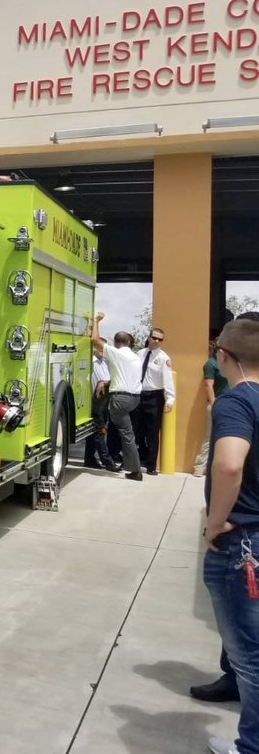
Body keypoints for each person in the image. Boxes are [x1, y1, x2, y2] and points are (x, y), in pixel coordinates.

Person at [202, 317, 259, 754]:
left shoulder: (234, 402)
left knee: (249, 657)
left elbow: (229, 465)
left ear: (224, 356)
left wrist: (216, 521)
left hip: (241, 542)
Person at [91, 312, 145, 481]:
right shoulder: (134, 357)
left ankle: (135, 471)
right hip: (135, 399)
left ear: (116, 343)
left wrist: (95, 321)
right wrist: (106, 382)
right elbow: (122, 377)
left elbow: (95, 340)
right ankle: (131, 466)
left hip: (121, 400)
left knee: (126, 434)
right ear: (129, 342)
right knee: (127, 433)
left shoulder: (117, 353)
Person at [132, 326, 175, 474]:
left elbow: (168, 380)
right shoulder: (140, 353)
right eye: (154, 337)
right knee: (136, 430)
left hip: (154, 397)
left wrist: (170, 399)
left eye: (160, 339)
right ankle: (135, 462)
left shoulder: (164, 358)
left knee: (152, 432)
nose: (156, 341)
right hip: (139, 395)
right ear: (149, 337)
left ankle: (151, 466)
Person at [196, 335, 230, 478]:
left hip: (231, 405)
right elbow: (208, 385)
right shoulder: (211, 363)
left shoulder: (229, 362)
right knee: (209, 437)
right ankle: (199, 468)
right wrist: (214, 403)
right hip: (216, 404)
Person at [83, 349, 117, 469]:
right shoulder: (90, 362)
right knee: (99, 431)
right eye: (99, 348)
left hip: (104, 400)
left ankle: (89, 459)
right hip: (94, 400)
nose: (102, 351)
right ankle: (108, 462)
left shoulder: (104, 363)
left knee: (94, 432)